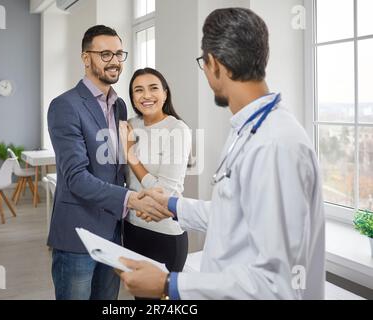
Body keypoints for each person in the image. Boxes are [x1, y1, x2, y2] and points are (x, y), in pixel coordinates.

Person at [117, 8, 325, 300]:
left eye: (203, 62)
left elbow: (278, 284)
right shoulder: (248, 129)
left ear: (213, 64)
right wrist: (174, 204)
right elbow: (234, 214)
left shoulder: (275, 145)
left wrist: (169, 285)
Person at [47, 25, 172, 300]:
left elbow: (116, 169)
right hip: (78, 233)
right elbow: (76, 177)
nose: (114, 61)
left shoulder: (120, 106)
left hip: (114, 231)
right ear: (85, 58)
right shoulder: (65, 105)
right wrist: (133, 199)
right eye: (105, 54)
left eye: (118, 53)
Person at [119, 68, 192, 299]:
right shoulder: (131, 125)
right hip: (132, 228)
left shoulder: (177, 130)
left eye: (153, 88)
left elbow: (164, 192)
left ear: (165, 93)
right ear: (132, 98)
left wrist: (131, 155)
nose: (146, 95)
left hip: (165, 234)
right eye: (138, 90)